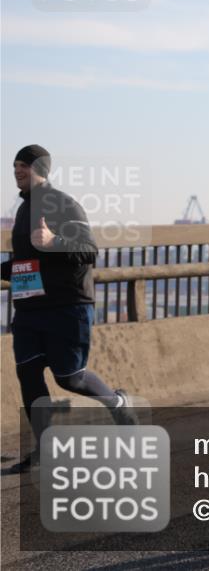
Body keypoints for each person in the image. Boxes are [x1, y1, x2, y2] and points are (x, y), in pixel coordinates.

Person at [1, 145, 137, 475]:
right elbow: (27, 263)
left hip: (67, 305)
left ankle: (117, 402)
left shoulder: (63, 203)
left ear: (41, 168)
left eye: (24, 165)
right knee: (28, 372)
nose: (17, 170)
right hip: (31, 306)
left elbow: (88, 251)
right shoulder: (23, 210)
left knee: (69, 378)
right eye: (15, 165)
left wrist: (54, 242)